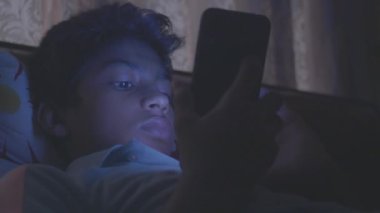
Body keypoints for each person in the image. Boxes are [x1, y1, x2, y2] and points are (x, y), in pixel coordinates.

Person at [15, 2, 361, 212]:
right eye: (124, 82)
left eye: (164, 87)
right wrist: (210, 178)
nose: (160, 99)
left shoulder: (211, 168)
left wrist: (313, 173)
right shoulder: (52, 184)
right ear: (54, 117)